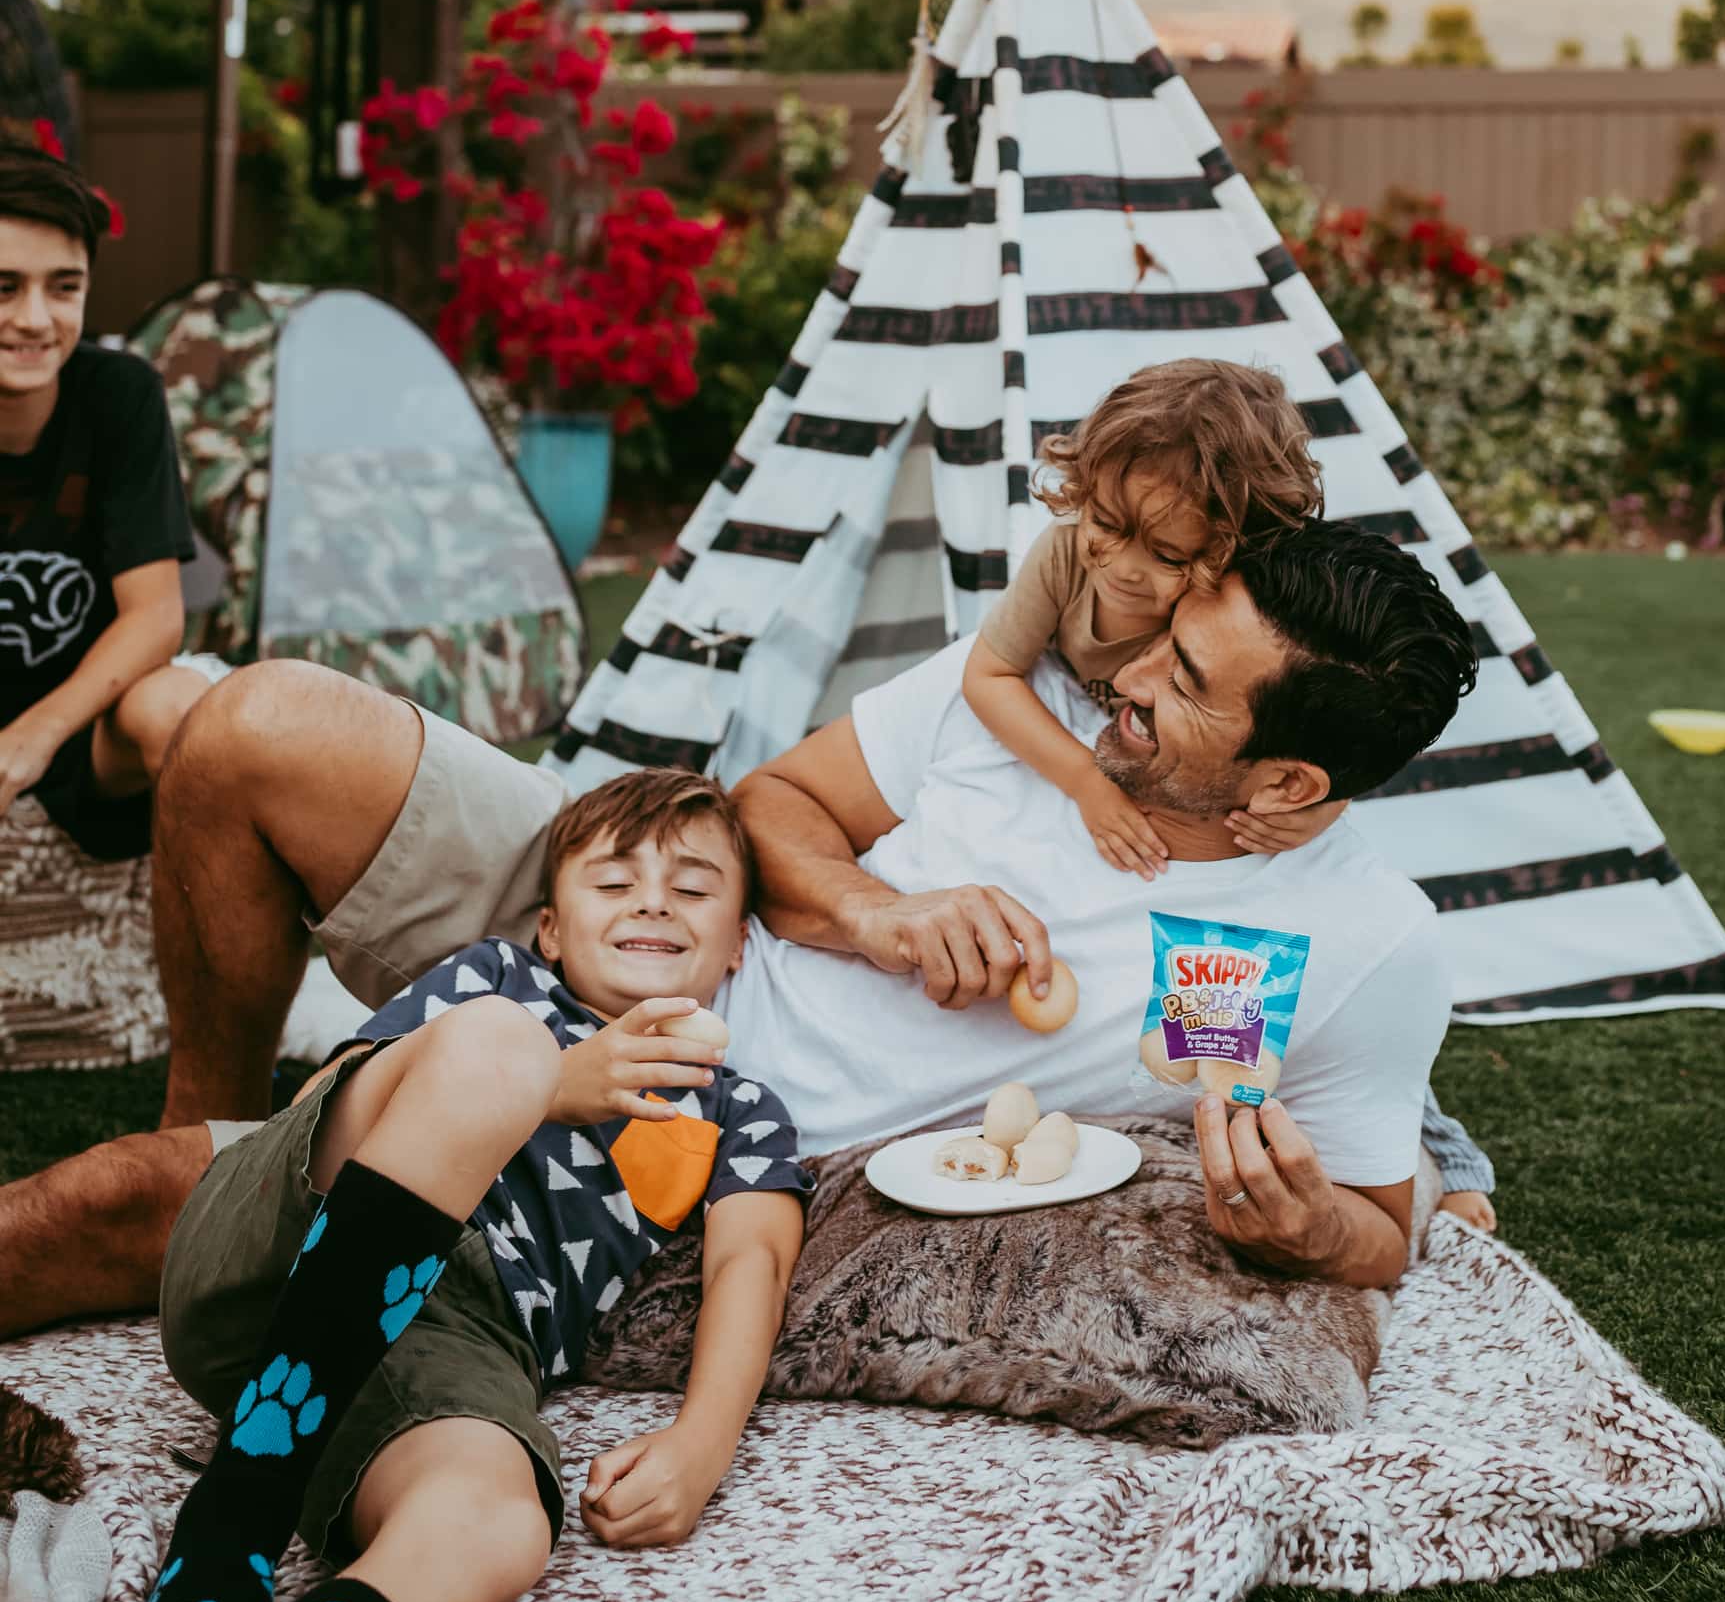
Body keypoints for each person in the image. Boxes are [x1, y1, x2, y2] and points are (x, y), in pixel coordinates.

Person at [0, 514, 1496, 1332]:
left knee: (118, 1203)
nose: (1128, 669)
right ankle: (227, 1113)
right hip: (667, 902)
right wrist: (875, 908)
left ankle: (226, 1175)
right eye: (1165, 629)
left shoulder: (1361, 945)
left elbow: (1384, 1224)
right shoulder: (1021, 696)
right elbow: (769, 802)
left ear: (1289, 782)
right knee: (256, 722)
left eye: (1184, 679)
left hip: (690, 1111)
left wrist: (1304, 1227)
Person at [135, 766, 808, 1602]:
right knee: (496, 1051)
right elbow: (322, 1108)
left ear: (740, 944)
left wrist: (699, 1444)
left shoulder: (740, 1108)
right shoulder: (497, 980)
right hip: (288, 1236)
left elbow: (750, 1258)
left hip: (446, 1344)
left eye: (693, 883)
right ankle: (238, 1510)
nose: (652, 901)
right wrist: (552, 1082)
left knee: (493, 1527)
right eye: (614, 879)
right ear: (549, 927)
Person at [962, 358, 1322, 875]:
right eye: (1106, 522)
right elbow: (988, 675)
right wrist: (1085, 780)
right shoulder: (1064, 553)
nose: (1123, 568)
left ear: (1237, 549)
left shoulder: (1238, 612)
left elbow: (1328, 718)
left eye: (1170, 556)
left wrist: (1323, 810)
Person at [0, 148, 216, 857]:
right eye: (4, 287)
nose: (35, 318)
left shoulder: (120, 396)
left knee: (185, 710)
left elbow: (154, 616)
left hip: (89, 718)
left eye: (63, 287)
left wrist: (33, 734)